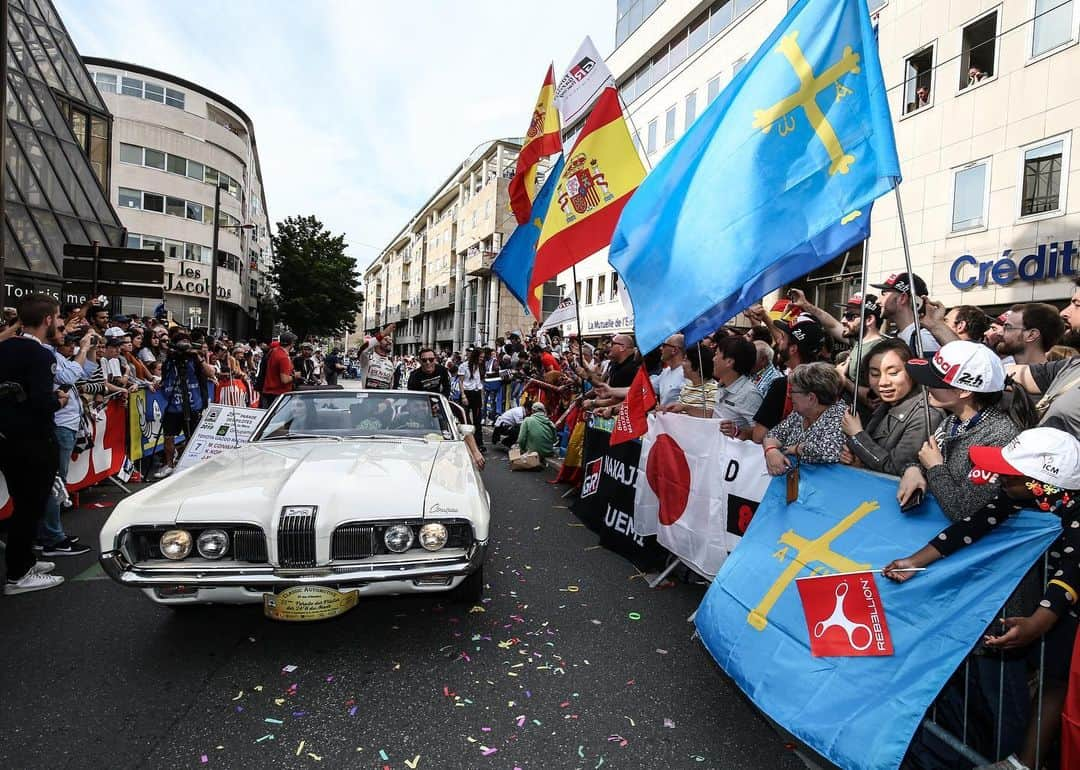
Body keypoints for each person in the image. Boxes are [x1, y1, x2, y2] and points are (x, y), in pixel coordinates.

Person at [884, 427, 1080, 770]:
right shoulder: (1021, 494)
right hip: (1047, 597)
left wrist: (1037, 622)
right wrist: (916, 560)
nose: (998, 477)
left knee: (1055, 680)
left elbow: (1070, 574)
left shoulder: (1075, 510)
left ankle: (1026, 763)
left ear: (1039, 480)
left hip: (1067, 604)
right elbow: (972, 526)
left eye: (1008, 473)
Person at [898, 341, 1031, 517]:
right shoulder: (953, 420)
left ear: (963, 391)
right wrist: (913, 469)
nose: (927, 386)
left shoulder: (1000, 437)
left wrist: (935, 468)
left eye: (934, 381)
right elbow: (927, 456)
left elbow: (964, 510)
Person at [0, 294, 68, 594]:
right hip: (33, 440)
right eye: (58, 317)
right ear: (48, 320)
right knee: (30, 507)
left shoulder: (5, 347)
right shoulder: (41, 355)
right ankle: (18, 573)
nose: (60, 323)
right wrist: (59, 398)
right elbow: (42, 402)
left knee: (23, 503)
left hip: (8, 438)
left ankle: (25, 559)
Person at [840, 339, 941, 474]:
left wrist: (857, 435)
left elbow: (896, 468)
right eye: (875, 374)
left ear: (911, 373)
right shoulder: (885, 405)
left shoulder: (925, 415)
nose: (883, 382)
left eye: (893, 373)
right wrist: (858, 459)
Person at [762, 362, 846, 475]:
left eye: (792, 391)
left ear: (811, 398)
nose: (789, 395)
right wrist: (771, 450)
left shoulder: (841, 417)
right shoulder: (799, 413)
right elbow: (773, 435)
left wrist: (793, 449)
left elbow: (828, 451)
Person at [154, 331, 212, 478]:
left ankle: (187, 462)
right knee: (168, 436)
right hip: (174, 405)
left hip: (193, 404)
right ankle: (169, 465)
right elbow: (164, 378)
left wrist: (197, 356)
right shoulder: (170, 360)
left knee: (191, 437)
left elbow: (210, 373)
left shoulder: (195, 359)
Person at [870, 272, 940, 354]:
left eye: (884, 294)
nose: (877, 301)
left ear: (902, 298)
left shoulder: (922, 338)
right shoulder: (900, 335)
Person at [711, 336, 762, 439]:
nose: (713, 359)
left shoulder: (750, 394)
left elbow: (760, 434)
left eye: (716, 355)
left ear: (729, 362)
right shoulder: (722, 385)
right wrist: (685, 408)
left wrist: (738, 431)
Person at [998, 303, 1064, 365]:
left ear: (1031, 335)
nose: (999, 333)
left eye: (1008, 327)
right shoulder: (1002, 372)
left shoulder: (1054, 376)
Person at [664, 342, 718, 415]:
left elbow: (709, 417)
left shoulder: (713, 390)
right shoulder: (687, 386)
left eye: (686, 360)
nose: (682, 364)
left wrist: (686, 408)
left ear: (697, 367)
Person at [651, 333, 688, 407]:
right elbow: (647, 387)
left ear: (674, 350)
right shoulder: (666, 371)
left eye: (664, 346)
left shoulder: (687, 373)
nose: (660, 348)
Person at [261, 332, 296, 408]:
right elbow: (284, 379)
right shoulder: (284, 357)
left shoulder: (274, 352)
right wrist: (295, 376)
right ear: (291, 343)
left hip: (269, 392)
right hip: (279, 394)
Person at [459, 347, 485, 450]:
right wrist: (463, 395)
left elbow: (481, 382)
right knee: (466, 419)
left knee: (477, 419)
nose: (482, 359)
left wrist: (482, 397)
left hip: (477, 393)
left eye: (483, 358)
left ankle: (479, 443)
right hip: (467, 393)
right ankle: (469, 441)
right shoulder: (463, 366)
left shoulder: (480, 366)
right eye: (480, 357)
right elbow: (460, 381)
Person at [359, 323, 397, 389]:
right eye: (386, 339)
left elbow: (390, 387)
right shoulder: (368, 359)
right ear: (377, 343)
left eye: (390, 340)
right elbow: (362, 349)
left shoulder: (390, 363)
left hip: (383, 398)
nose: (390, 342)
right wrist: (382, 334)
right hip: (368, 398)